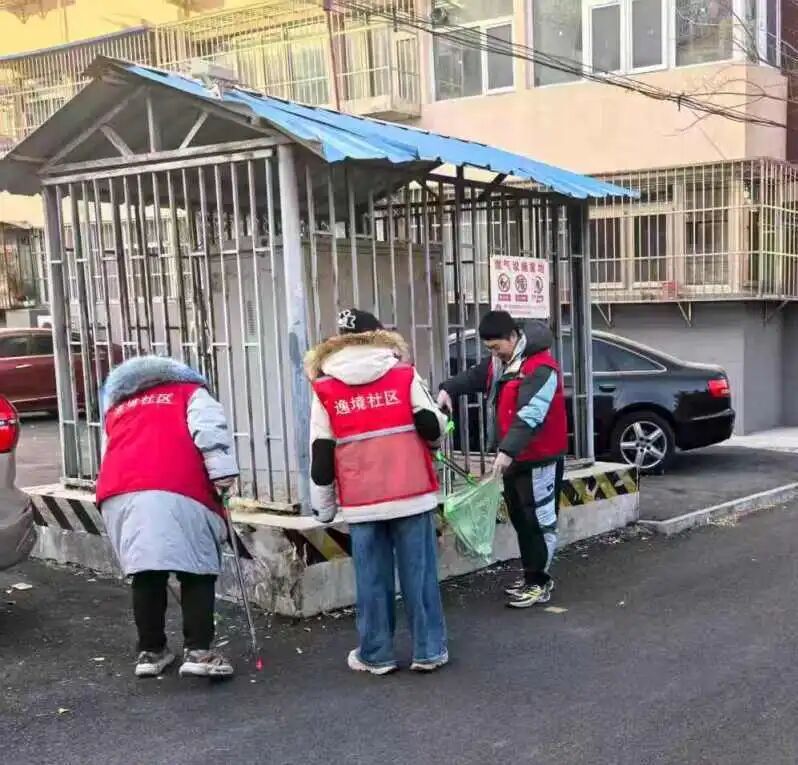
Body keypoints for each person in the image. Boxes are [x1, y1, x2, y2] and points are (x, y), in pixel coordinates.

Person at [306, 309, 449, 675]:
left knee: (371, 580)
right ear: (380, 336)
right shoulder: (403, 375)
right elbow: (431, 424)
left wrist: (324, 509)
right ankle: (429, 650)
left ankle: (377, 654)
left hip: (362, 501)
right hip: (411, 492)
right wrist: (434, 443)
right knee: (419, 576)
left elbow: (321, 454)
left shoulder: (324, 388)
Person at [96, 356, 239, 679]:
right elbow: (210, 432)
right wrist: (223, 475)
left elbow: (108, 452)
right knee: (197, 569)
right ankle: (199, 652)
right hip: (178, 486)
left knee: (146, 572)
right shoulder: (190, 392)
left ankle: (151, 652)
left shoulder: (119, 406)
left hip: (119, 492)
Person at [437, 311, 567, 608]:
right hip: (515, 458)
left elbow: (530, 415)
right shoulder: (503, 362)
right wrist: (448, 388)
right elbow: (475, 376)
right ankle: (532, 574)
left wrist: (507, 451)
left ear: (513, 337)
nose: (494, 354)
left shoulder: (541, 367)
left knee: (539, 522)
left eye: (497, 347)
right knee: (521, 519)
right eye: (490, 349)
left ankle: (539, 583)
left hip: (538, 458)